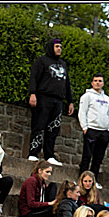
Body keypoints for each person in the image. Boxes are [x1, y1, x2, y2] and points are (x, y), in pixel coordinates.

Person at [27, 38, 74, 166]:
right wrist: (33, 93)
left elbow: (67, 83)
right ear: (51, 47)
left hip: (58, 100)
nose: (59, 48)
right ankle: (33, 153)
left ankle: (49, 155)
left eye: (60, 47)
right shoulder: (41, 61)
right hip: (43, 97)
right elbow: (34, 77)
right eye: (57, 46)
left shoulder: (63, 64)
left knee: (53, 128)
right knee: (39, 126)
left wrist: (70, 101)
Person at [78, 73, 109, 183]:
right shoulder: (87, 96)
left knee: (98, 158)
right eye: (96, 80)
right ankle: (81, 179)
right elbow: (82, 112)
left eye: (100, 81)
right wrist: (85, 127)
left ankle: (94, 180)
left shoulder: (107, 99)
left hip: (104, 132)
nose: (98, 82)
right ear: (92, 83)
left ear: (103, 83)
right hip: (92, 129)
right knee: (87, 156)